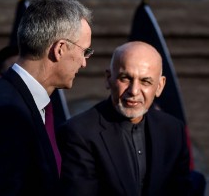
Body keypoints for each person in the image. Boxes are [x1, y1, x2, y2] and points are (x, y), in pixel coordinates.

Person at [0, 0, 93, 196]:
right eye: (85, 51)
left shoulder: (17, 102)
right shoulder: (5, 116)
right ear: (60, 49)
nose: (84, 62)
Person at [57, 41, 191, 196]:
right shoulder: (79, 133)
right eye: (125, 78)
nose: (134, 91)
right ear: (109, 78)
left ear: (160, 86)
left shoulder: (173, 130)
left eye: (145, 81)